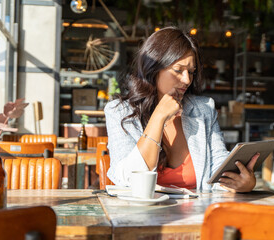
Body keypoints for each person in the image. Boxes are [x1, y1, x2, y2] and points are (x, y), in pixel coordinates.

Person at [104, 26, 258, 192]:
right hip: (143, 213)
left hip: (197, 213)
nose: (186, 80)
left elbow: (217, 166)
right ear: (153, 69)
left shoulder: (203, 109)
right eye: (178, 70)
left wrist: (241, 183)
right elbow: (129, 179)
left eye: (191, 72)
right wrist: (159, 116)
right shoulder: (119, 112)